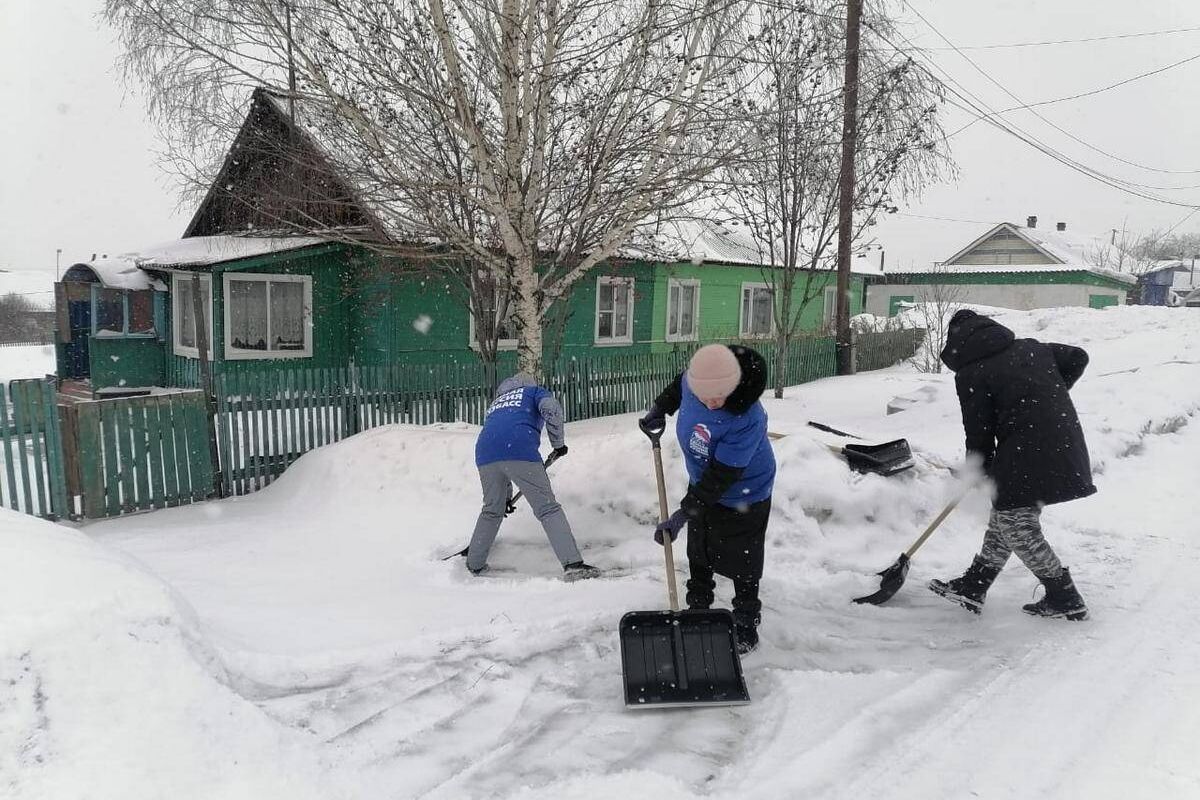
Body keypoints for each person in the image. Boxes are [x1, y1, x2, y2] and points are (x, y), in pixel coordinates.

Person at [930, 309, 1094, 620]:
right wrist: (1045, 398)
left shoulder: (971, 373)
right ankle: (974, 585)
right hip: (1060, 439)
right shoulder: (1032, 347)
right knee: (1007, 514)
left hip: (1026, 450)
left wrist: (975, 468)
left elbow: (978, 431)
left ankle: (1064, 595)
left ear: (957, 343)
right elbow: (1078, 357)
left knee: (1017, 525)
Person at [639, 344, 776, 654]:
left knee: (744, 559)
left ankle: (745, 620)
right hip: (703, 479)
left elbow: (721, 477)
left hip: (746, 489)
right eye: (705, 396)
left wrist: (683, 514)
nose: (712, 403)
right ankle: (698, 605)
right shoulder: (694, 381)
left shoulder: (747, 417)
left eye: (720, 396)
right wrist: (661, 407)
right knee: (699, 548)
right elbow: (680, 386)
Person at [467, 372, 599, 581]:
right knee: (547, 508)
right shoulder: (534, 392)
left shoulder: (497, 402)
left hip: (485, 453)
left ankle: (474, 564)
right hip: (520, 449)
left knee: (492, 510)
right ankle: (573, 564)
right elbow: (551, 409)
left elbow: (500, 439)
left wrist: (505, 499)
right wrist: (558, 444)